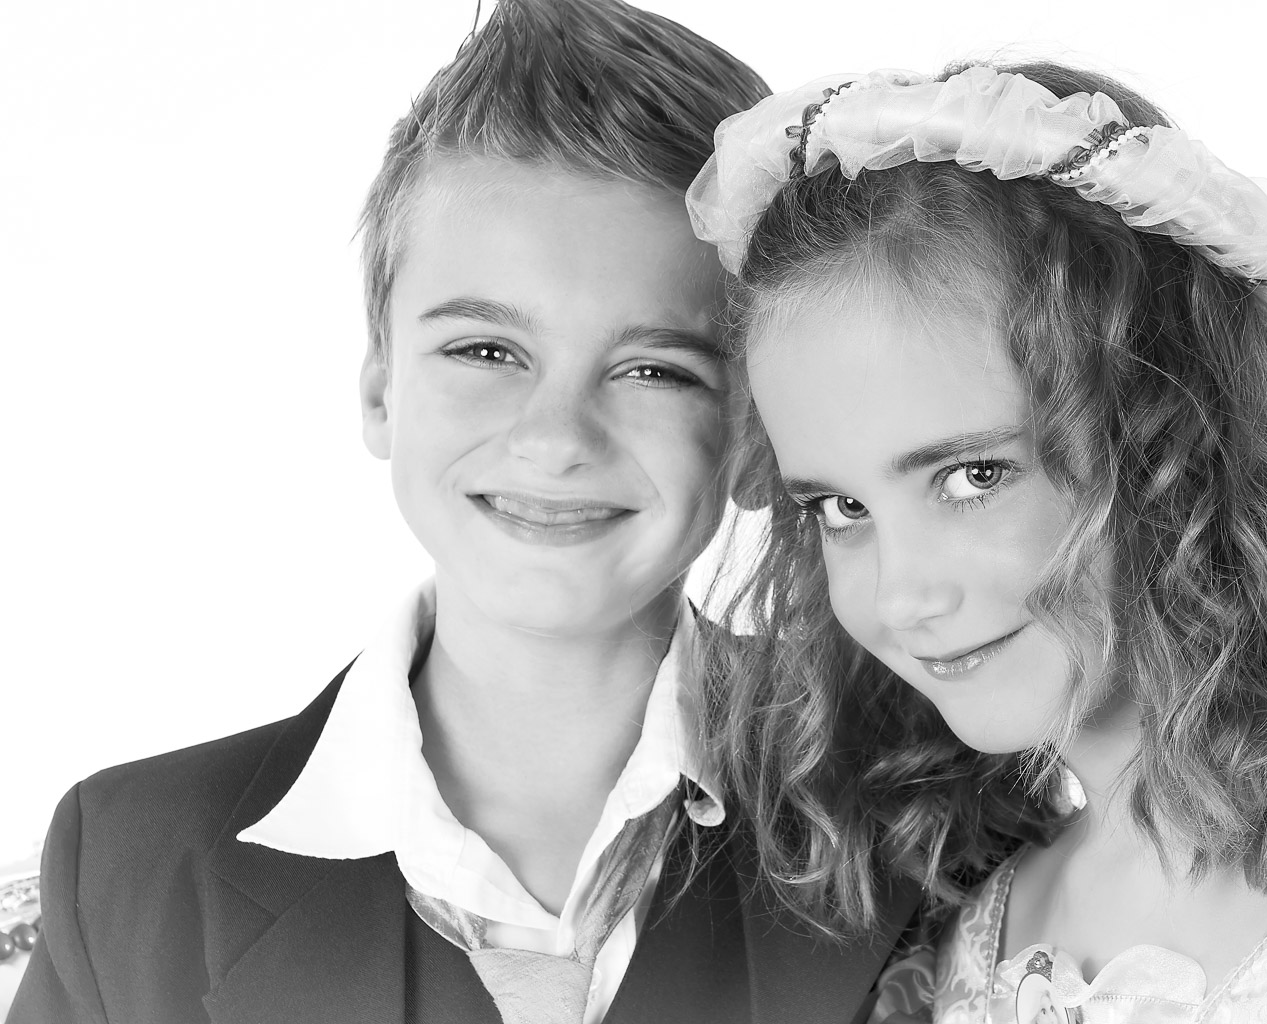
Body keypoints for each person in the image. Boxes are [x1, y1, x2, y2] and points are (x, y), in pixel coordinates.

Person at [8, 3, 920, 1021]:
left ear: (758, 432)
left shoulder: (929, 808)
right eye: (486, 351)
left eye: (656, 369)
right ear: (379, 391)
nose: (556, 437)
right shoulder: (129, 871)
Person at [687, 60, 1267, 1021]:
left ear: (1179, 443)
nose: (900, 596)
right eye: (842, 509)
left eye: (973, 477)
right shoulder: (950, 933)